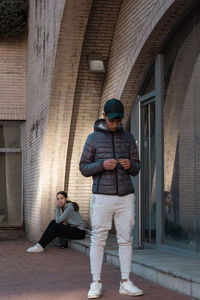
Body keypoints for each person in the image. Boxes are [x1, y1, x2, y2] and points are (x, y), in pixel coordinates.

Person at [79, 98, 143, 298]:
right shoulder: (92, 138)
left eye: (119, 120)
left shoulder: (129, 138)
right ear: (104, 116)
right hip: (102, 196)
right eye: (112, 120)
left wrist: (129, 165)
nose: (116, 123)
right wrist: (101, 165)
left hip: (125, 196)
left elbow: (137, 167)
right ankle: (95, 282)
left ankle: (125, 281)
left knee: (126, 239)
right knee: (98, 239)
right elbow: (83, 167)